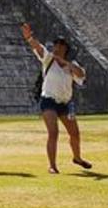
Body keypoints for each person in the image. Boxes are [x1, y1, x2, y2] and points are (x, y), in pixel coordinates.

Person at [22, 24, 91, 173]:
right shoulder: (49, 60)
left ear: (66, 49)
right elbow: (38, 48)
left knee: (75, 133)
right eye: (56, 45)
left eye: (60, 45)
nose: (57, 48)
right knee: (53, 132)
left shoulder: (72, 65)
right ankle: (52, 166)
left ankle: (77, 157)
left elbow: (81, 75)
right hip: (49, 100)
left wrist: (66, 63)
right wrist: (29, 37)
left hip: (66, 103)